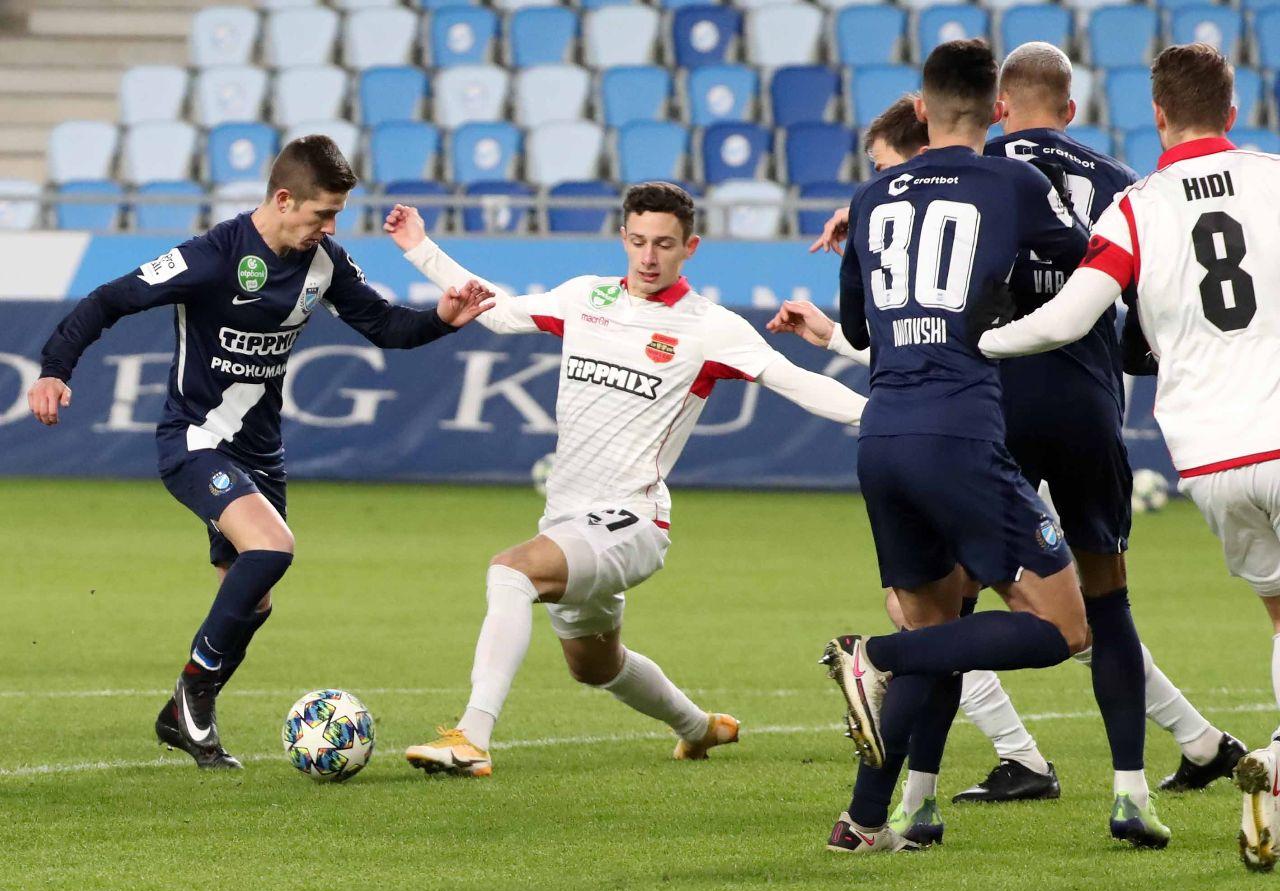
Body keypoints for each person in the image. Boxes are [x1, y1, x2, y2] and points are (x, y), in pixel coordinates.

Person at [27, 136, 495, 770]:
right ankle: (192, 692)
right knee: (272, 548)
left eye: (336, 216)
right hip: (196, 440)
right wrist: (55, 369)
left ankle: (182, 720)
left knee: (254, 598)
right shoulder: (212, 256)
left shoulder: (324, 262)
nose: (330, 228)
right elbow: (111, 299)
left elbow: (384, 326)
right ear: (283, 199)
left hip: (262, 454)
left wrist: (440, 318)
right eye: (322, 214)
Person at [819, 38, 1175, 855]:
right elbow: (1087, 266)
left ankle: (867, 820)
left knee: (941, 623)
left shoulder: (871, 197)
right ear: (994, 110)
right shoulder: (1018, 183)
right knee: (1070, 624)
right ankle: (873, 655)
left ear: (919, 109)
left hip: (883, 436)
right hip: (973, 429)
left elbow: (857, 329)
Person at [382, 182, 868, 778]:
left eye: (663, 244)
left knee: (512, 570)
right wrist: (420, 248)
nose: (648, 257)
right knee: (594, 665)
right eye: (638, 241)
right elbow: (500, 313)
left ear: (690, 247)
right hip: (568, 519)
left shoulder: (710, 327)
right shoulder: (585, 297)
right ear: (623, 238)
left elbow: (795, 380)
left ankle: (472, 738)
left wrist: (882, 417)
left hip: (633, 520)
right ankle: (699, 727)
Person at [979, 42, 1280, 873]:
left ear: (1157, 114)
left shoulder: (1135, 207)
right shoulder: (1268, 178)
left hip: (1208, 458)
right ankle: (1262, 763)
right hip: (1264, 425)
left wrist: (981, 340)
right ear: (1232, 111)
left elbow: (1067, 318)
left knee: (1278, 609)